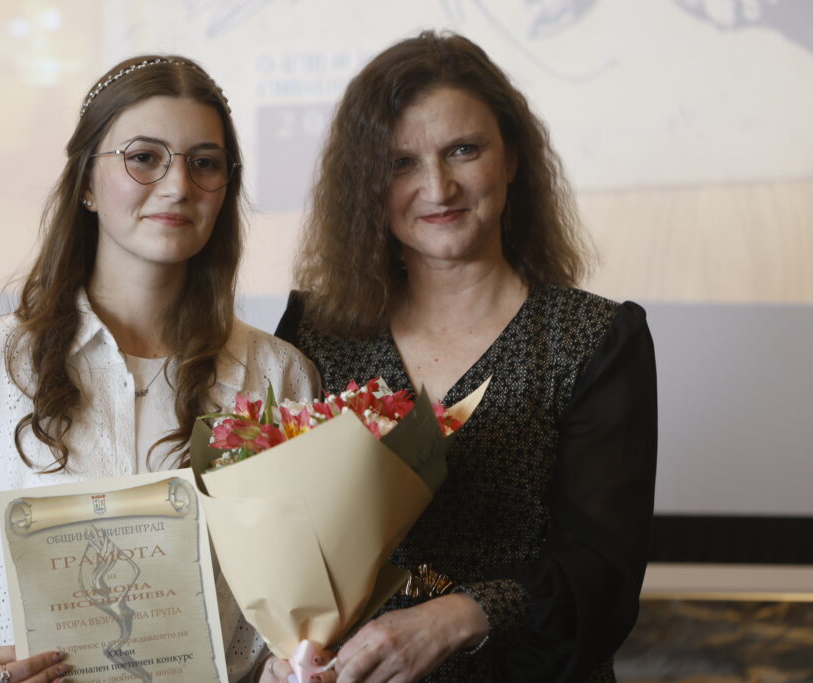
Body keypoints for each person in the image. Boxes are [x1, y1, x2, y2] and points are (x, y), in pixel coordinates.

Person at [0, 55, 319, 683]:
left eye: (204, 163)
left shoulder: (280, 377)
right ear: (87, 184)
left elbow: (300, 592)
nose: (177, 186)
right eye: (144, 157)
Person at [275, 31, 657, 682]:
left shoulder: (596, 338)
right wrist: (281, 654)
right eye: (401, 162)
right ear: (366, 183)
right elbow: (283, 540)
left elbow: (603, 574)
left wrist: (458, 616)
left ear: (512, 159)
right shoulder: (314, 332)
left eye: (464, 150)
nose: (438, 185)